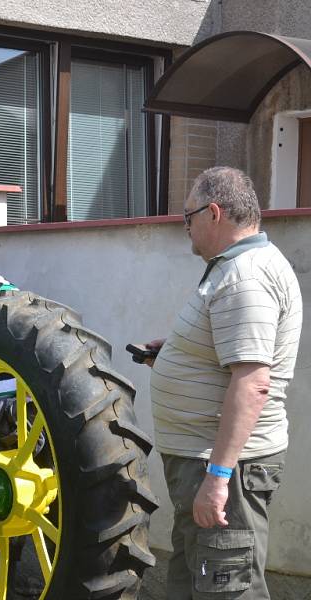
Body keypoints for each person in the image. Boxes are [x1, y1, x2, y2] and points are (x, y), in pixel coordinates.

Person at [145, 167, 302, 599]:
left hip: (225, 471)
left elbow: (252, 384)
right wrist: (177, 352)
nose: (187, 228)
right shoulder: (235, 269)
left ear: (213, 213)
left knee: (227, 591)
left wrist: (217, 479)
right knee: (195, 585)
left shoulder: (246, 276)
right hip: (207, 463)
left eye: (188, 217)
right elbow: (232, 356)